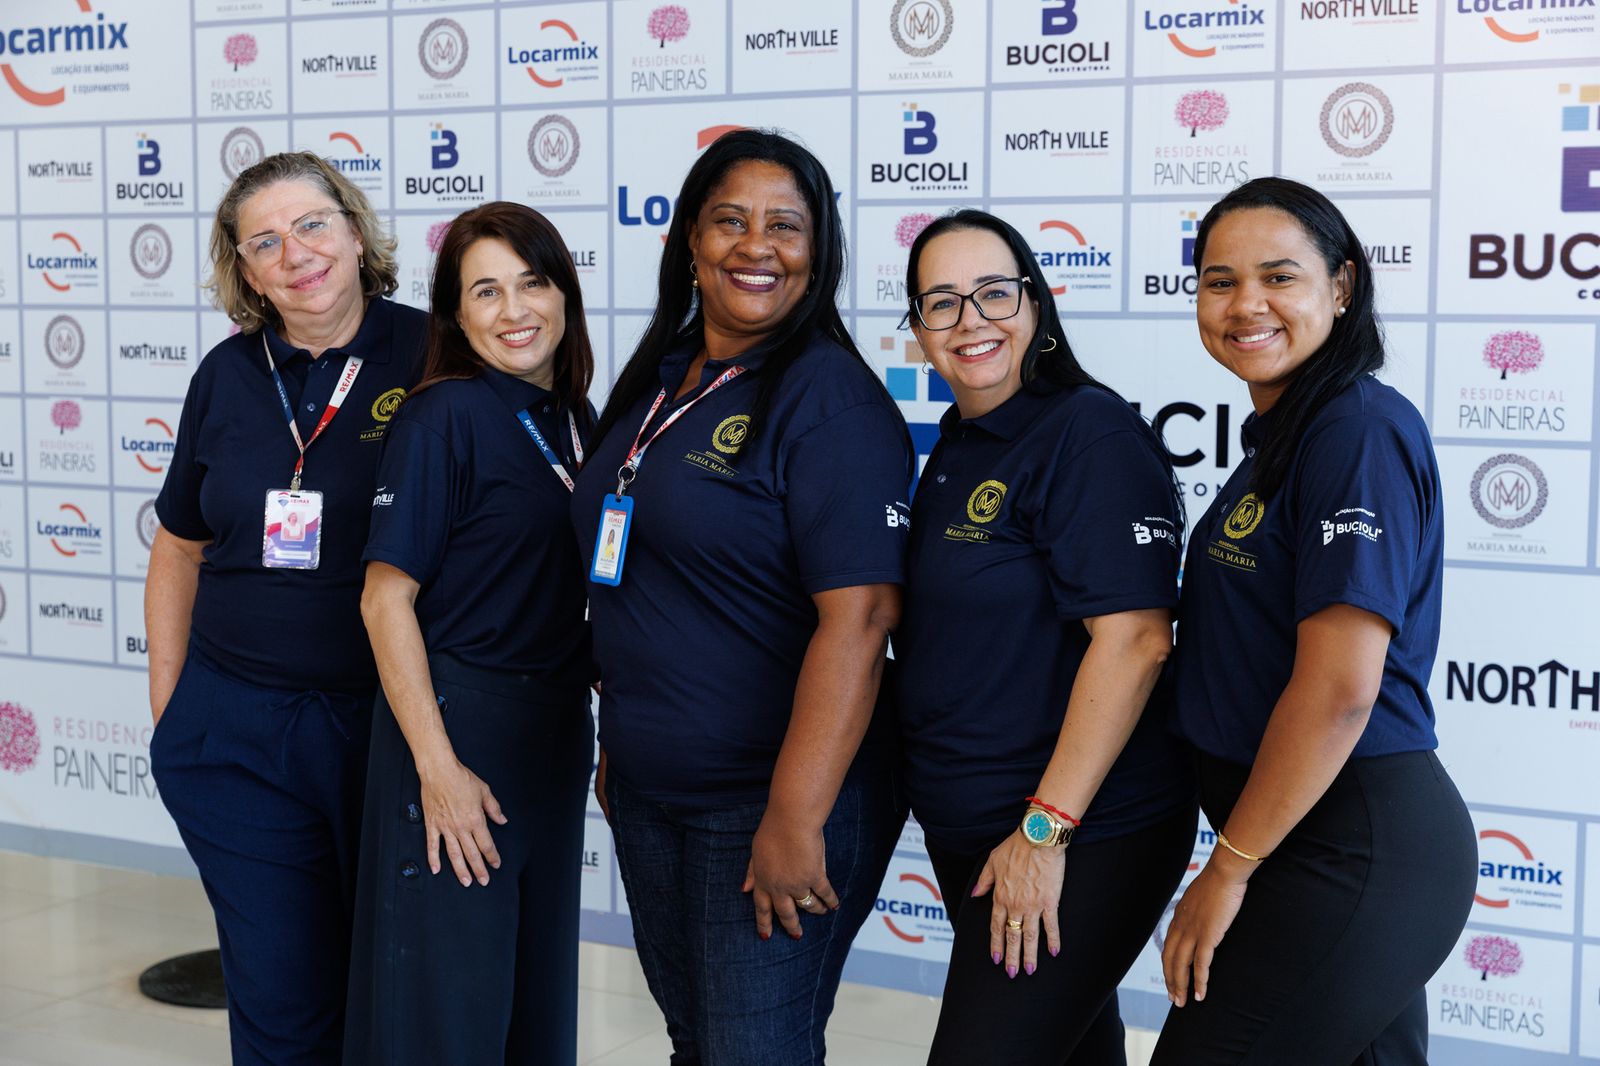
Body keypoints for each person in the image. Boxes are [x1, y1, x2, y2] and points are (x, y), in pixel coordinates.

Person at [570, 129, 912, 1066]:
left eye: (785, 226)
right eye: (730, 220)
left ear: (820, 251)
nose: (756, 246)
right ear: (690, 240)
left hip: (765, 801)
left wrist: (796, 820)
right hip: (650, 788)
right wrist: (621, 745)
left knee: (754, 1052)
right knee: (698, 1043)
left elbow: (864, 617)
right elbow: (631, 583)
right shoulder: (662, 372)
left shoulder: (828, 400)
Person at [1155, 177, 1476, 1064]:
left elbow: (1339, 690)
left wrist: (1227, 869)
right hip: (1298, 835)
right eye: (1218, 280)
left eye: (1278, 277)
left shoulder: (1357, 432)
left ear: (1341, 286)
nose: (1244, 304)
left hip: (1352, 844)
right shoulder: (1287, 438)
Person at [892, 209, 1197, 1065]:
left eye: (994, 293)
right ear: (917, 330)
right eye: (942, 303)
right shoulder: (958, 442)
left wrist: (1042, 833)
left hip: (1082, 834)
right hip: (974, 830)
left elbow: (1136, 641)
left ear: (1037, 301)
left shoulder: (1086, 431)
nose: (972, 321)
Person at [145, 151, 425, 1065]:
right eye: (264, 241)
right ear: (245, 270)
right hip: (238, 731)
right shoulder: (227, 376)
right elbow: (181, 543)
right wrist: (171, 705)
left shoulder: (433, 356)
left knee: (394, 996)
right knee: (280, 996)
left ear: (353, 230)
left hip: (389, 730)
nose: (295, 252)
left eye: (311, 224)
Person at [343, 202, 596, 1065]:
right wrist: (439, 768)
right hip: (459, 735)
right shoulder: (440, 417)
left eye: (532, 282)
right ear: (454, 314)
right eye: (485, 290)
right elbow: (385, 602)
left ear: (565, 293)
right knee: (445, 1017)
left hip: (554, 737)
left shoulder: (578, 418)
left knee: (534, 1009)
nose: (515, 309)